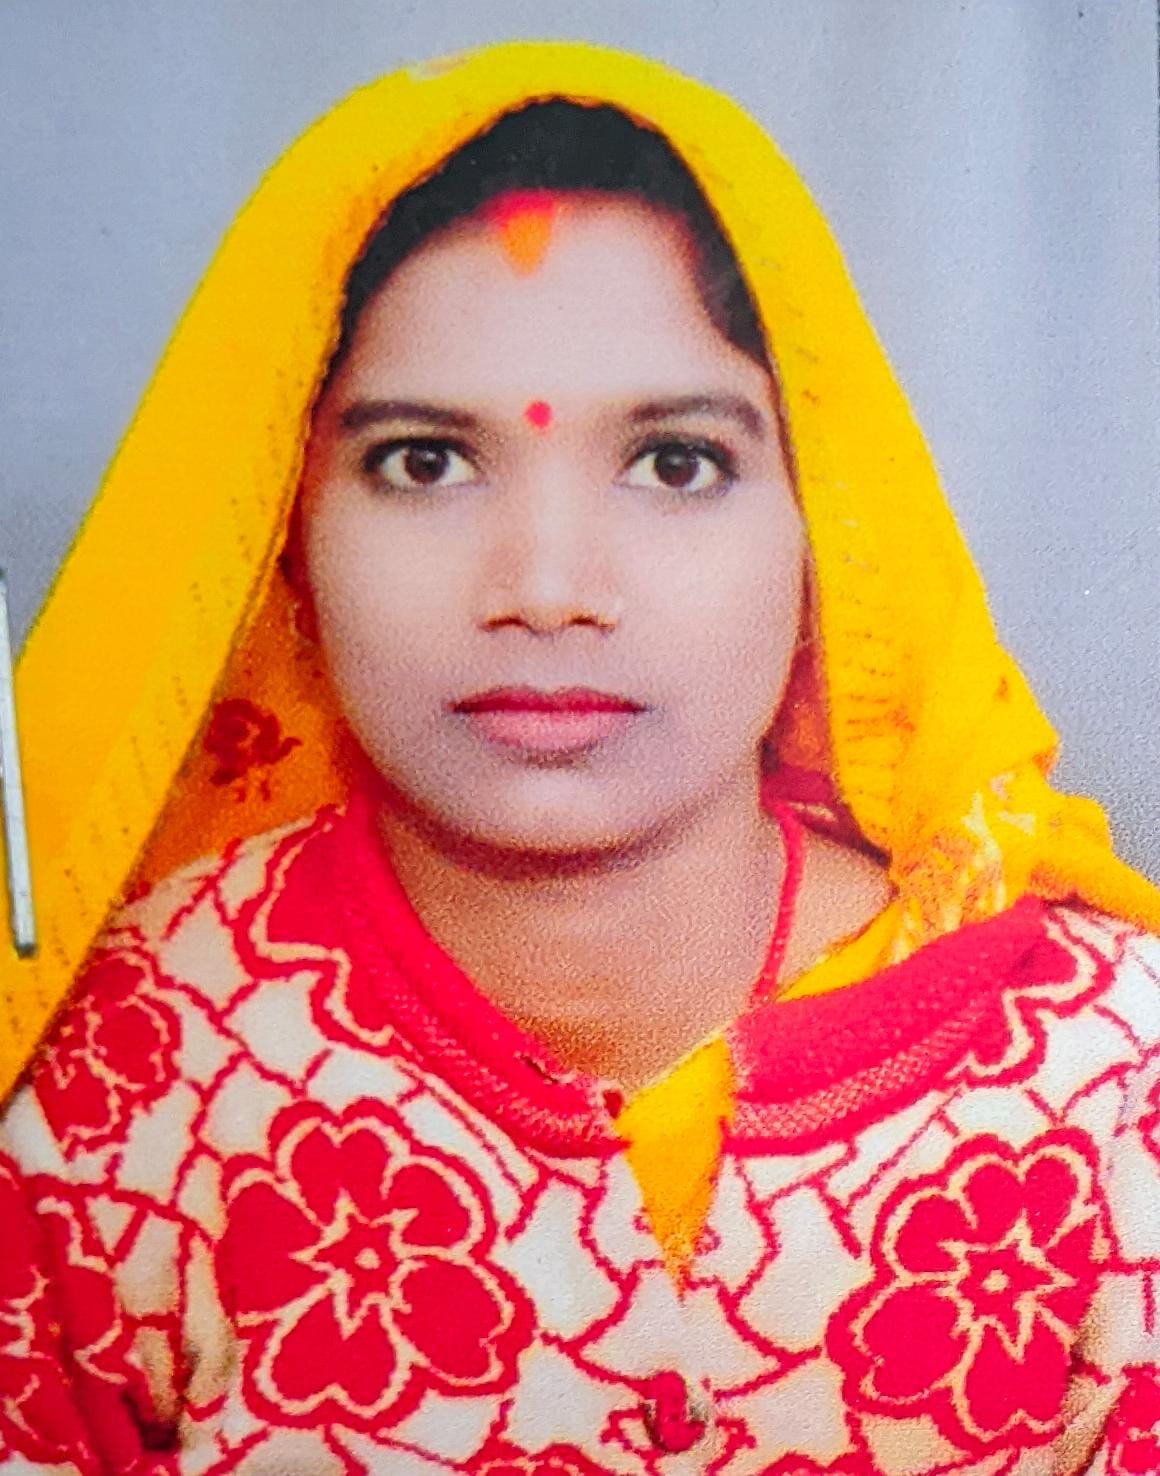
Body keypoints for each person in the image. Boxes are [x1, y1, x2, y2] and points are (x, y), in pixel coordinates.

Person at [1, 38, 1158, 1476]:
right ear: (283, 534)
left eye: (675, 462)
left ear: (835, 535)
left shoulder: (1105, 1080)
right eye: (424, 461)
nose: (546, 590)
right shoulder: (130, 1074)